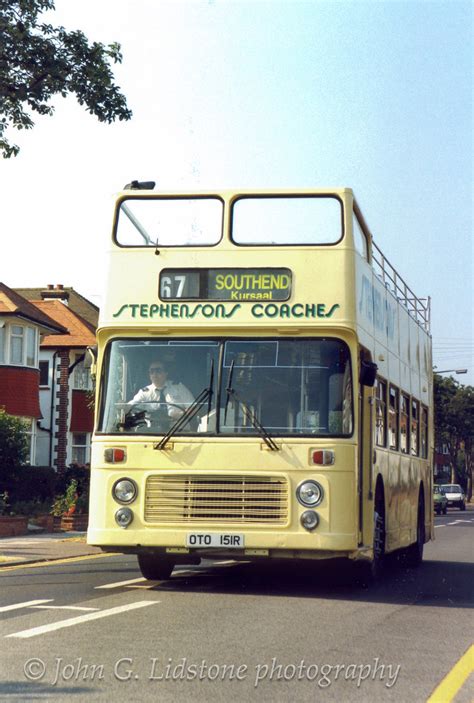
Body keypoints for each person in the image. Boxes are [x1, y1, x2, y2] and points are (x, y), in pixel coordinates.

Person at [129, 359, 194, 426]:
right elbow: (132, 405)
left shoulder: (178, 387)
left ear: (166, 373)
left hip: (180, 432)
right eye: (152, 371)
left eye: (158, 371)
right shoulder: (144, 392)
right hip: (152, 433)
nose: (155, 374)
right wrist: (124, 406)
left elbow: (194, 408)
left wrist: (180, 415)